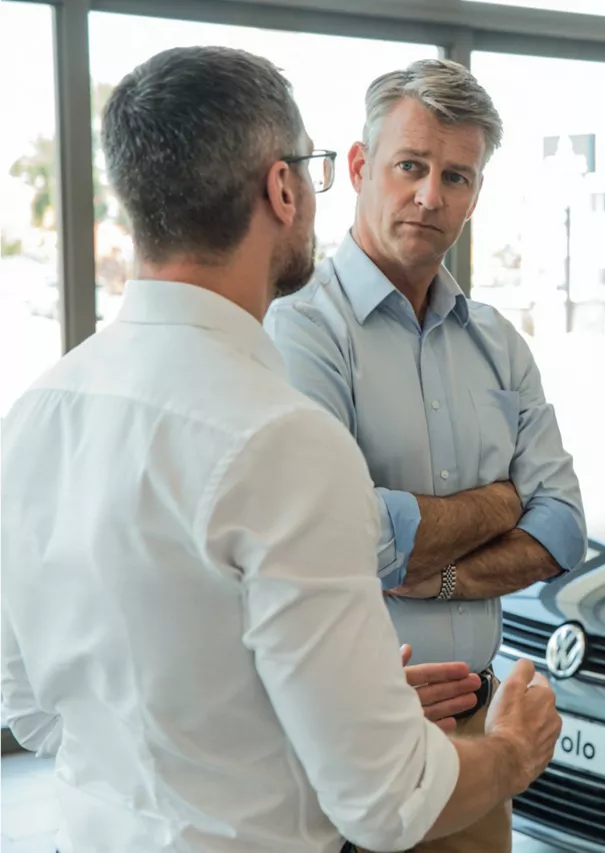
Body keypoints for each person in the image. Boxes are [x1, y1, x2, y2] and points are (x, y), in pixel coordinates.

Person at [0, 46, 562, 853]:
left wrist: (329, 703)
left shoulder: (33, 412)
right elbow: (386, 803)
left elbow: (34, 708)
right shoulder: (285, 441)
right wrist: (511, 749)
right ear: (282, 188)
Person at [264, 58, 586, 853]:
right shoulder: (300, 329)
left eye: (458, 176)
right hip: (355, 727)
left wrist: (437, 571)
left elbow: (565, 528)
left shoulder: (498, 344)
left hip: (478, 729)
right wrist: (501, 501)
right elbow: (351, 533)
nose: (431, 196)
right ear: (363, 166)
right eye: (411, 166)